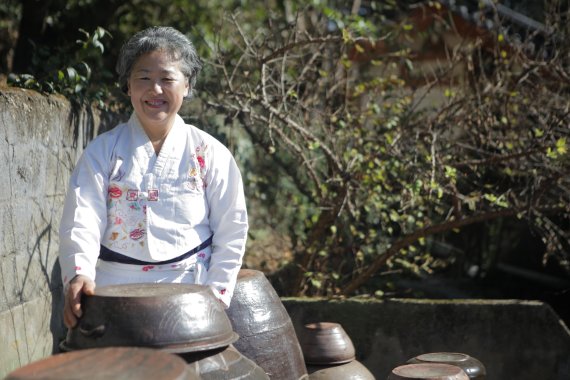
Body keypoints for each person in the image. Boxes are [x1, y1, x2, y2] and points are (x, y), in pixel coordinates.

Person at [58, 26, 248, 328]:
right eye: (143, 78)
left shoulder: (209, 153)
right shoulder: (104, 151)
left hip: (191, 294)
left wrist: (216, 295)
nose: (155, 89)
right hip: (112, 294)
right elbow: (82, 219)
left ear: (186, 85)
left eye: (167, 79)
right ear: (129, 87)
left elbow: (231, 228)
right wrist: (80, 273)